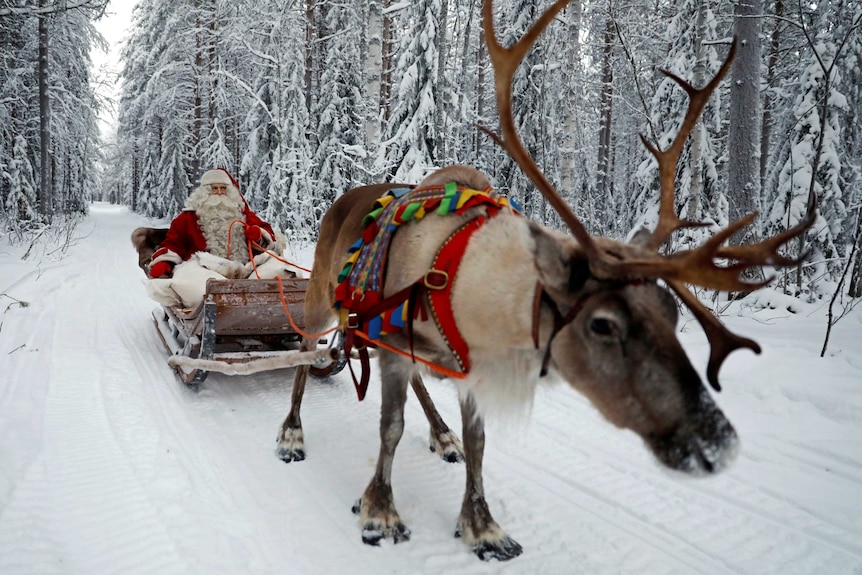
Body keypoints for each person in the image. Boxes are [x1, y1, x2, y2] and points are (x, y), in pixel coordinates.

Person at [146, 168, 292, 308]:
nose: (219, 193)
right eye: (214, 188)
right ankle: (221, 303)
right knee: (201, 288)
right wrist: (165, 262)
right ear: (204, 192)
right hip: (203, 268)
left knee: (280, 268)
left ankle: (275, 301)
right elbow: (174, 243)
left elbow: (269, 234)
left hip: (245, 270)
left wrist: (259, 235)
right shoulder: (187, 218)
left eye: (223, 188)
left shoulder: (243, 215)